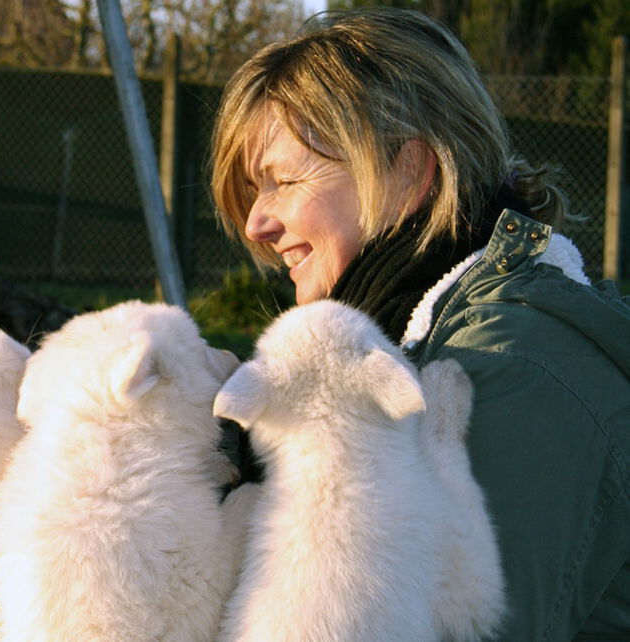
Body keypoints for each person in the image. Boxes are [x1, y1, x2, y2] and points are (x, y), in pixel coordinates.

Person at [209, 7, 630, 640]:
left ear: (410, 170)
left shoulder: (506, 368)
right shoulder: (422, 339)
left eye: (284, 180)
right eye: (254, 190)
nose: (256, 226)